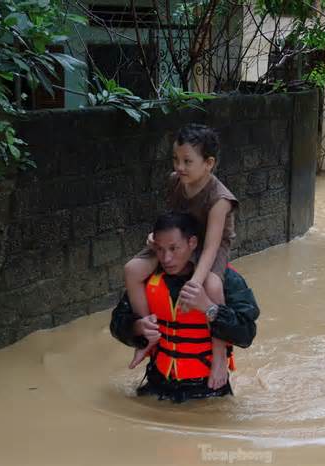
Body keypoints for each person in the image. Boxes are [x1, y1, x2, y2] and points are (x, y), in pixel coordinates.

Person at [123, 124, 238, 390]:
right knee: (132, 270)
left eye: (188, 161)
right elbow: (170, 221)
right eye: (176, 159)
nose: (180, 166)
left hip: (209, 245)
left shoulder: (220, 199)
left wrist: (196, 282)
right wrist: (155, 237)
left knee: (213, 285)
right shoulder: (174, 181)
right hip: (176, 243)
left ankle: (219, 354)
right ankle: (149, 335)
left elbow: (210, 247)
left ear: (209, 163)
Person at [110, 212, 259, 403]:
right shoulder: (147, 279)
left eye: (174, 248)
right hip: (157, 384)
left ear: (192, 243)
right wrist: (136, 327)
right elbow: (117, 323)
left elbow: (246, 333)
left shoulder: (224, 279)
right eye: (160, 250)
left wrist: (210, 308)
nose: (166, 258)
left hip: (209, 390)